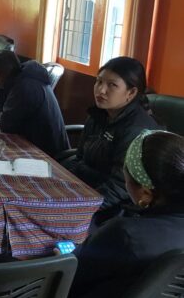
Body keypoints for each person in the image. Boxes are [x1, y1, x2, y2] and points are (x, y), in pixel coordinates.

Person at [67, 131, 184, 298]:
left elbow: (71, 273)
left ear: (145, 192)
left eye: (125, 172)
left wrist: (62, 259)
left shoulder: (125, 234)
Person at [62, 56, 161, 223]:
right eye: (99, 82)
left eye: (112, 85)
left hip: (114, 209)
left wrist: (78, 208)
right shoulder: (98, 114)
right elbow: (80, 158)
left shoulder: (136, 130)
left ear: (131, 93)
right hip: (87, 190)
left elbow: (120, 188)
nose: (101, 90)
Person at [0, 50, 68, 157]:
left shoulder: (25, 87)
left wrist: (2, 113)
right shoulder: (18, 77)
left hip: (46, 152)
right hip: (31, 141)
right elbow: (3, 105)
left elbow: (6, 124)